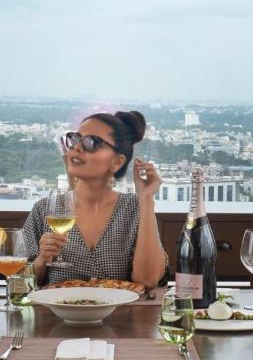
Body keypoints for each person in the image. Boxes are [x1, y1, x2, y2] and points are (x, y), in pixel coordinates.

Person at [22, 110, 167, 287]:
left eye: (91, 142)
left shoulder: (135, 209)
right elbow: (20, 284)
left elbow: (148, 280)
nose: (76, 147)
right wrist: (42, 259)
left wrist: (146, 198)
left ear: (117, 162)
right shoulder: (45, 209)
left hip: (122, 315)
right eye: (75, 139)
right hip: (58, 315)